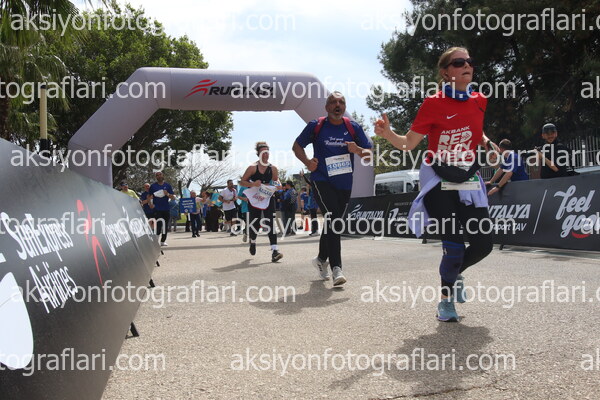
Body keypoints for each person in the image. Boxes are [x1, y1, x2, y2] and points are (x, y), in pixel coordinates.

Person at [374, 47, 494, 322]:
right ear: (445, 72)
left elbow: (476, 129)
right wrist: (388, 133)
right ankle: (446, 302)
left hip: (467, 175)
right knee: (453, 245)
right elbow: (408, 143)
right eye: (459, 62)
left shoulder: (480, 100)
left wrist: (487, 142)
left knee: (483, 244)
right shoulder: (433, 103)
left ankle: (454, 274)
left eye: (469, 61)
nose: (467, 65)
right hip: (438, 177)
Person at [293, 91, 372, 286]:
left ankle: (321, 259)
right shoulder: (316, 125)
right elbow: (296, 146)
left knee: (332, 221)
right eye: (333, 102)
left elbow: (369, 154)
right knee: (334, 219)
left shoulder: (352, 127)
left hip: (344, 183)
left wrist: (357, 150)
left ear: (344, 107)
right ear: (327, 107)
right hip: (322, 180)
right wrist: (308, 162)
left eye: (341, 102)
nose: (338, 105)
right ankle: (337, 268)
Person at [239, 142, 283, 262]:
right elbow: (242, 182)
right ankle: (253, 241)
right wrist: (253, 184)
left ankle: (275, 251)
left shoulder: (273, 168)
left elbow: (276, 180)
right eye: (263, 152)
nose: (265, 155)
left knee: (270, 223)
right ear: (258, 154)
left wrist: (279, 184)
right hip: (255, 198)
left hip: (268, 196)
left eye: (267, 152)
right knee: (255, 223)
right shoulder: (252, 167)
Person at [150, 171, 176, 246]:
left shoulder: (167, 185)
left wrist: (167, 194)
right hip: (157, 209)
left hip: (166, 209)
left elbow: (173, 197)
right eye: (157, 175)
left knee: (165, 225)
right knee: (158, 225)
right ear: (156, 177)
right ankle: (156, 241)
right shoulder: (153, 186)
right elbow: (150, 196)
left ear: (163, 175)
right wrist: (150, 204)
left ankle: (162, 241)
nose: (159, 176)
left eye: (160, 174)